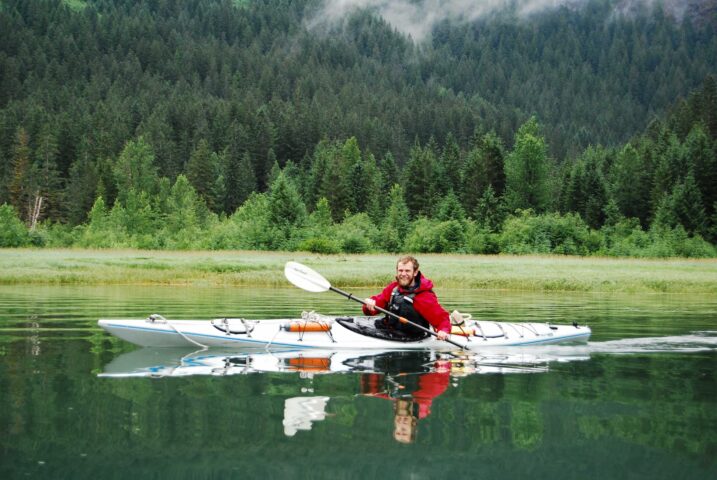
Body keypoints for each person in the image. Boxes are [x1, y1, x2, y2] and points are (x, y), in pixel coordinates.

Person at [363, 255, 451, 341]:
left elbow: (442, 319)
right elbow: (373, 308)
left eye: (407, 271)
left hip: (414, 338)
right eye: (400, 270)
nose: (403, 274)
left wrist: (443, 331)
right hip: (390, 332)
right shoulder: (393, 288)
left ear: (415, 272)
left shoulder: (424, 296)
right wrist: (368, 304)